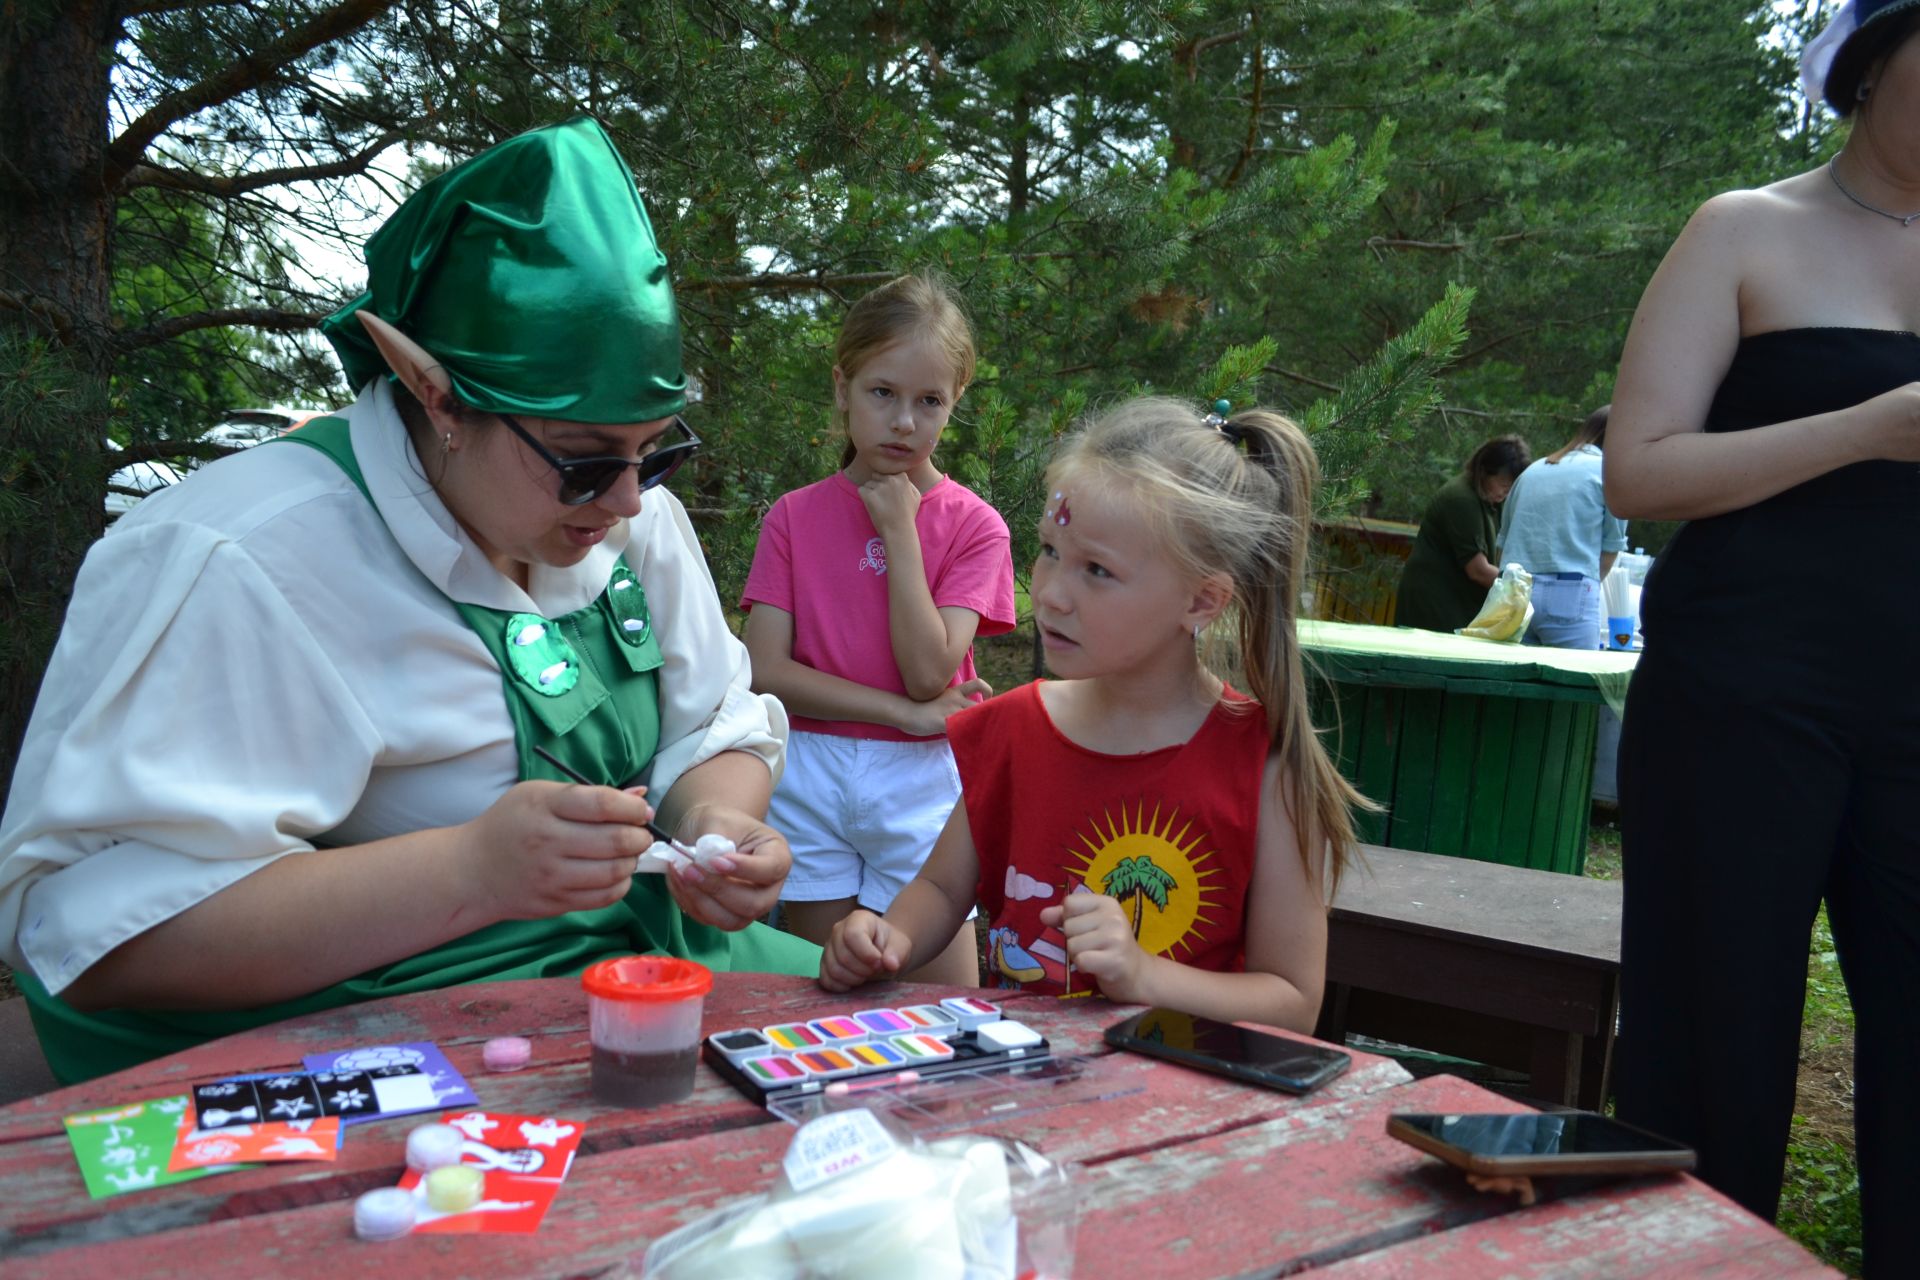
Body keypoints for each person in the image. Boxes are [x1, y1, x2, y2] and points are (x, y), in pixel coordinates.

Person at [0, 117, 819, 1084]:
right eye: (587, 460)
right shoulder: (241, 559)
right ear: (434, 393)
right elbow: (94, 935)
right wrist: (469, 871)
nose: (631, 498)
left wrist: (720, 827)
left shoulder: (631, 518)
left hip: (636, 975)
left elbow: (713, 729)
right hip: (369, 1037)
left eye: (659, 449)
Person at [1603, 2, 1920, 1265]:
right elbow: (1639, 469)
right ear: (1870, 60)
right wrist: (1864, 428)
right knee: (1714, 1034)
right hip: (1742, 695)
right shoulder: (1747, 227)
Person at [818, 397, 1368, 1031]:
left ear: (1201, 600)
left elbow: (1294, 1004)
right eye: (1050, 550)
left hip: (1183, 1111)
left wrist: (1142, 974)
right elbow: (943, 891)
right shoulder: (1014, 728)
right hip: (1018, 1093)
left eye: (1097, 570)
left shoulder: (1266, 764)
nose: (1050, 593)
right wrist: (889, 938)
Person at [741, 276, 1016, 985]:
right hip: (811, 768)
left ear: (955, 403)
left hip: (921, 782)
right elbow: (765, 670)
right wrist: (905, 713)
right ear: (842, 388)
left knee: (944, 1004)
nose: (903, 422)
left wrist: (899, 529)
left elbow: (931, 670)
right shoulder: (794, 518)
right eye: (882, 393)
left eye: (930, 402)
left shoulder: (975, 527)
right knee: (827, 990)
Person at [1492, 407, 1626, 649]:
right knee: (1577, 681)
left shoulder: (1532, 470)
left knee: (1511, 681)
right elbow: (1608, 554)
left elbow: (1502, 546)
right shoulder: (1610, 474)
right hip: (1570, 590)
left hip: (1513, 591)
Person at [1394, 435, 1532, 632]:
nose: (1506, 492)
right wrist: (1520, 589)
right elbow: (1478, 570)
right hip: (1434, 603)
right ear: (1484, 471)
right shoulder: (1461, 498)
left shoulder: (1493, 501)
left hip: (1458, 602)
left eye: (1511, 487)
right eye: (1503, 484)